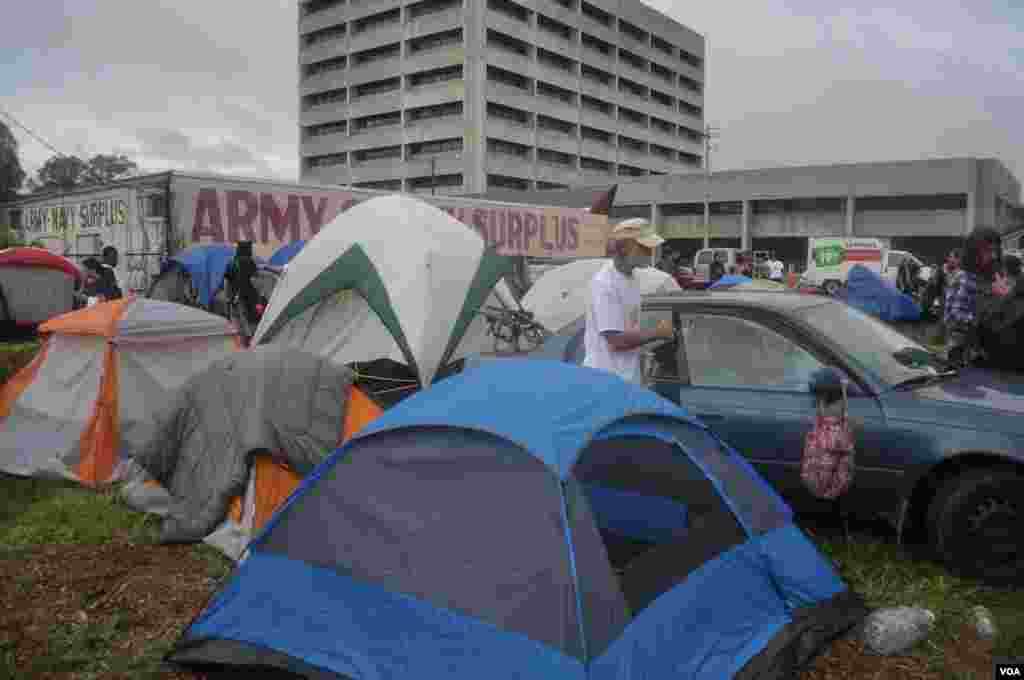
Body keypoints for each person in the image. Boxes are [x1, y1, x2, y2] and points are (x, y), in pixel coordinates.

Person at [583, 218, 674, 383]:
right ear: (624, 248)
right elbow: (616, 341)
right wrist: (657, 333)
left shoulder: (631, 277)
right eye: (644, 247)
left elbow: (630, 328)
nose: (650, 252)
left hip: (626, 378)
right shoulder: (605, 283)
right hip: (607, 380)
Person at [944, 227, 1010, 365]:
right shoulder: (965, 278)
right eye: (987, 251)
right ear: (973, 252)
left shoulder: (989, 277)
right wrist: (981, 319)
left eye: (995, 251)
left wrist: (1002, 296)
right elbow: (957, 314)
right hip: (961, 347)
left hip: (977, 344)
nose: (993, 256)